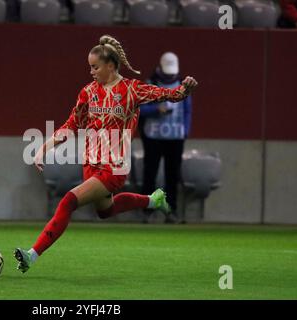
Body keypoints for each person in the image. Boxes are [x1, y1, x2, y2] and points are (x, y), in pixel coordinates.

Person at [14, 35, 198, 273]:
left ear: (110, 66)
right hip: (90, 163)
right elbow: (71, 124)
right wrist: (43, 148)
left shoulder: (131, 89)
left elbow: (168, 94)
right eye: (90, 67)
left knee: (68, 201)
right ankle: (154, 200)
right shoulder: (88, 92)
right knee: (105, 211)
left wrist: (185, 89)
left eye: (95, 67)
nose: (91, 72)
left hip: (114, 166)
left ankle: (32, 255)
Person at [138, 52, 192, 224]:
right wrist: (156, 109)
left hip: (175, 137)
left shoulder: (184, 86)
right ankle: (147, 211)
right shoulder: (149, 84)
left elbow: (187, 110)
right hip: (153, 136)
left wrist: (185, 131)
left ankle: (171, 211)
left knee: (172, 175)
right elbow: (139, 110)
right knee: (150, 173)